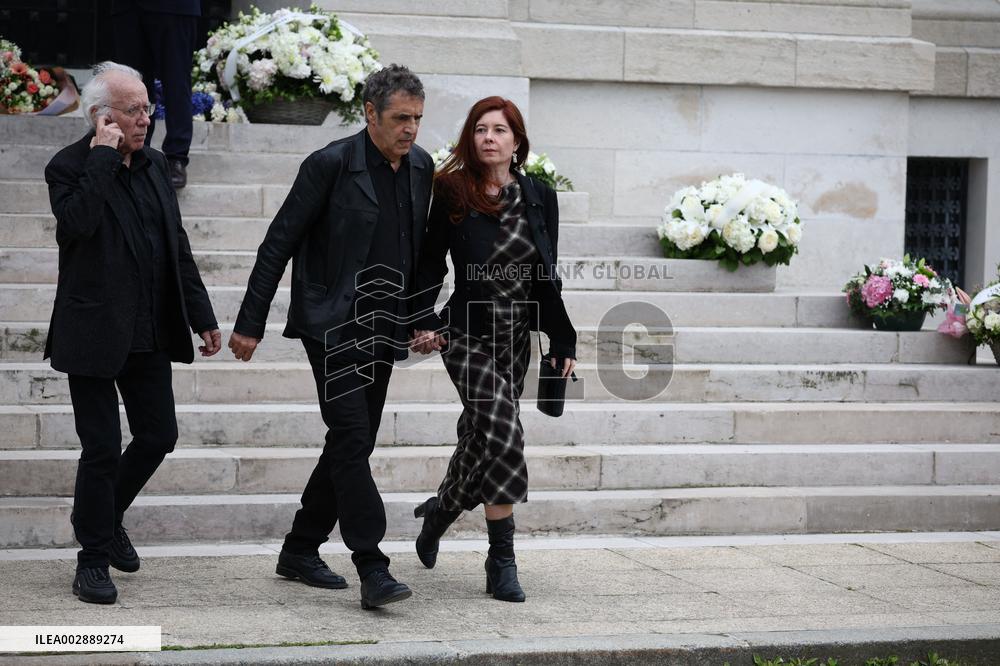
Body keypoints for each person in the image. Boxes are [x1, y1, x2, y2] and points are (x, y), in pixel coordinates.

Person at [227, 64, 433, 610]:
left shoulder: (420, 167)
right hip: (333, 325)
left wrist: (421, 315)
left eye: (416, 118)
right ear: (370, 114)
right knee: (349, 434)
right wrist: (251, 322)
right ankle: (372, 565)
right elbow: (277, 243)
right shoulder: (329, 164)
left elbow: (415, 251)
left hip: (385, 326)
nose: (410, 129)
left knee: (352, 440)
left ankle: (299, 547)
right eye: (399, 119)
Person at [44, 61, 221, 604]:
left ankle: (102, 513)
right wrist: (101, 157)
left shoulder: (155, 165)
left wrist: (203, 315)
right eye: (134, 109)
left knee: (159, 435)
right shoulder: (68, 166)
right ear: (103, 116)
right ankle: (92, 559)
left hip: (148, 330)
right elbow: (77, 227)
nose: (146, 118)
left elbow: (177, 247)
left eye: (148, 107)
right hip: (92, 331)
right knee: (100, 449)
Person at [408, 96, 577, 602]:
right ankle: (501, 561)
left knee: (481, 441)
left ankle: (440, 509)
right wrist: (420, 321)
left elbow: (544, 273)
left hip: (516, 337)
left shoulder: (539, 196)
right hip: (465, 335)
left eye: (499, 130)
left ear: (517, 141)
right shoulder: (452, 190)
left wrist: (562, 338)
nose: (488, 137)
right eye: (480, 129)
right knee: (504, 432)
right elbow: (429, 265)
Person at [111, 0, 200, 189]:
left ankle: (176, 158)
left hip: (175, 8)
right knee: (130, 84)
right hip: (128, 7)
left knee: (177, 81)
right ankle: (134, 151)